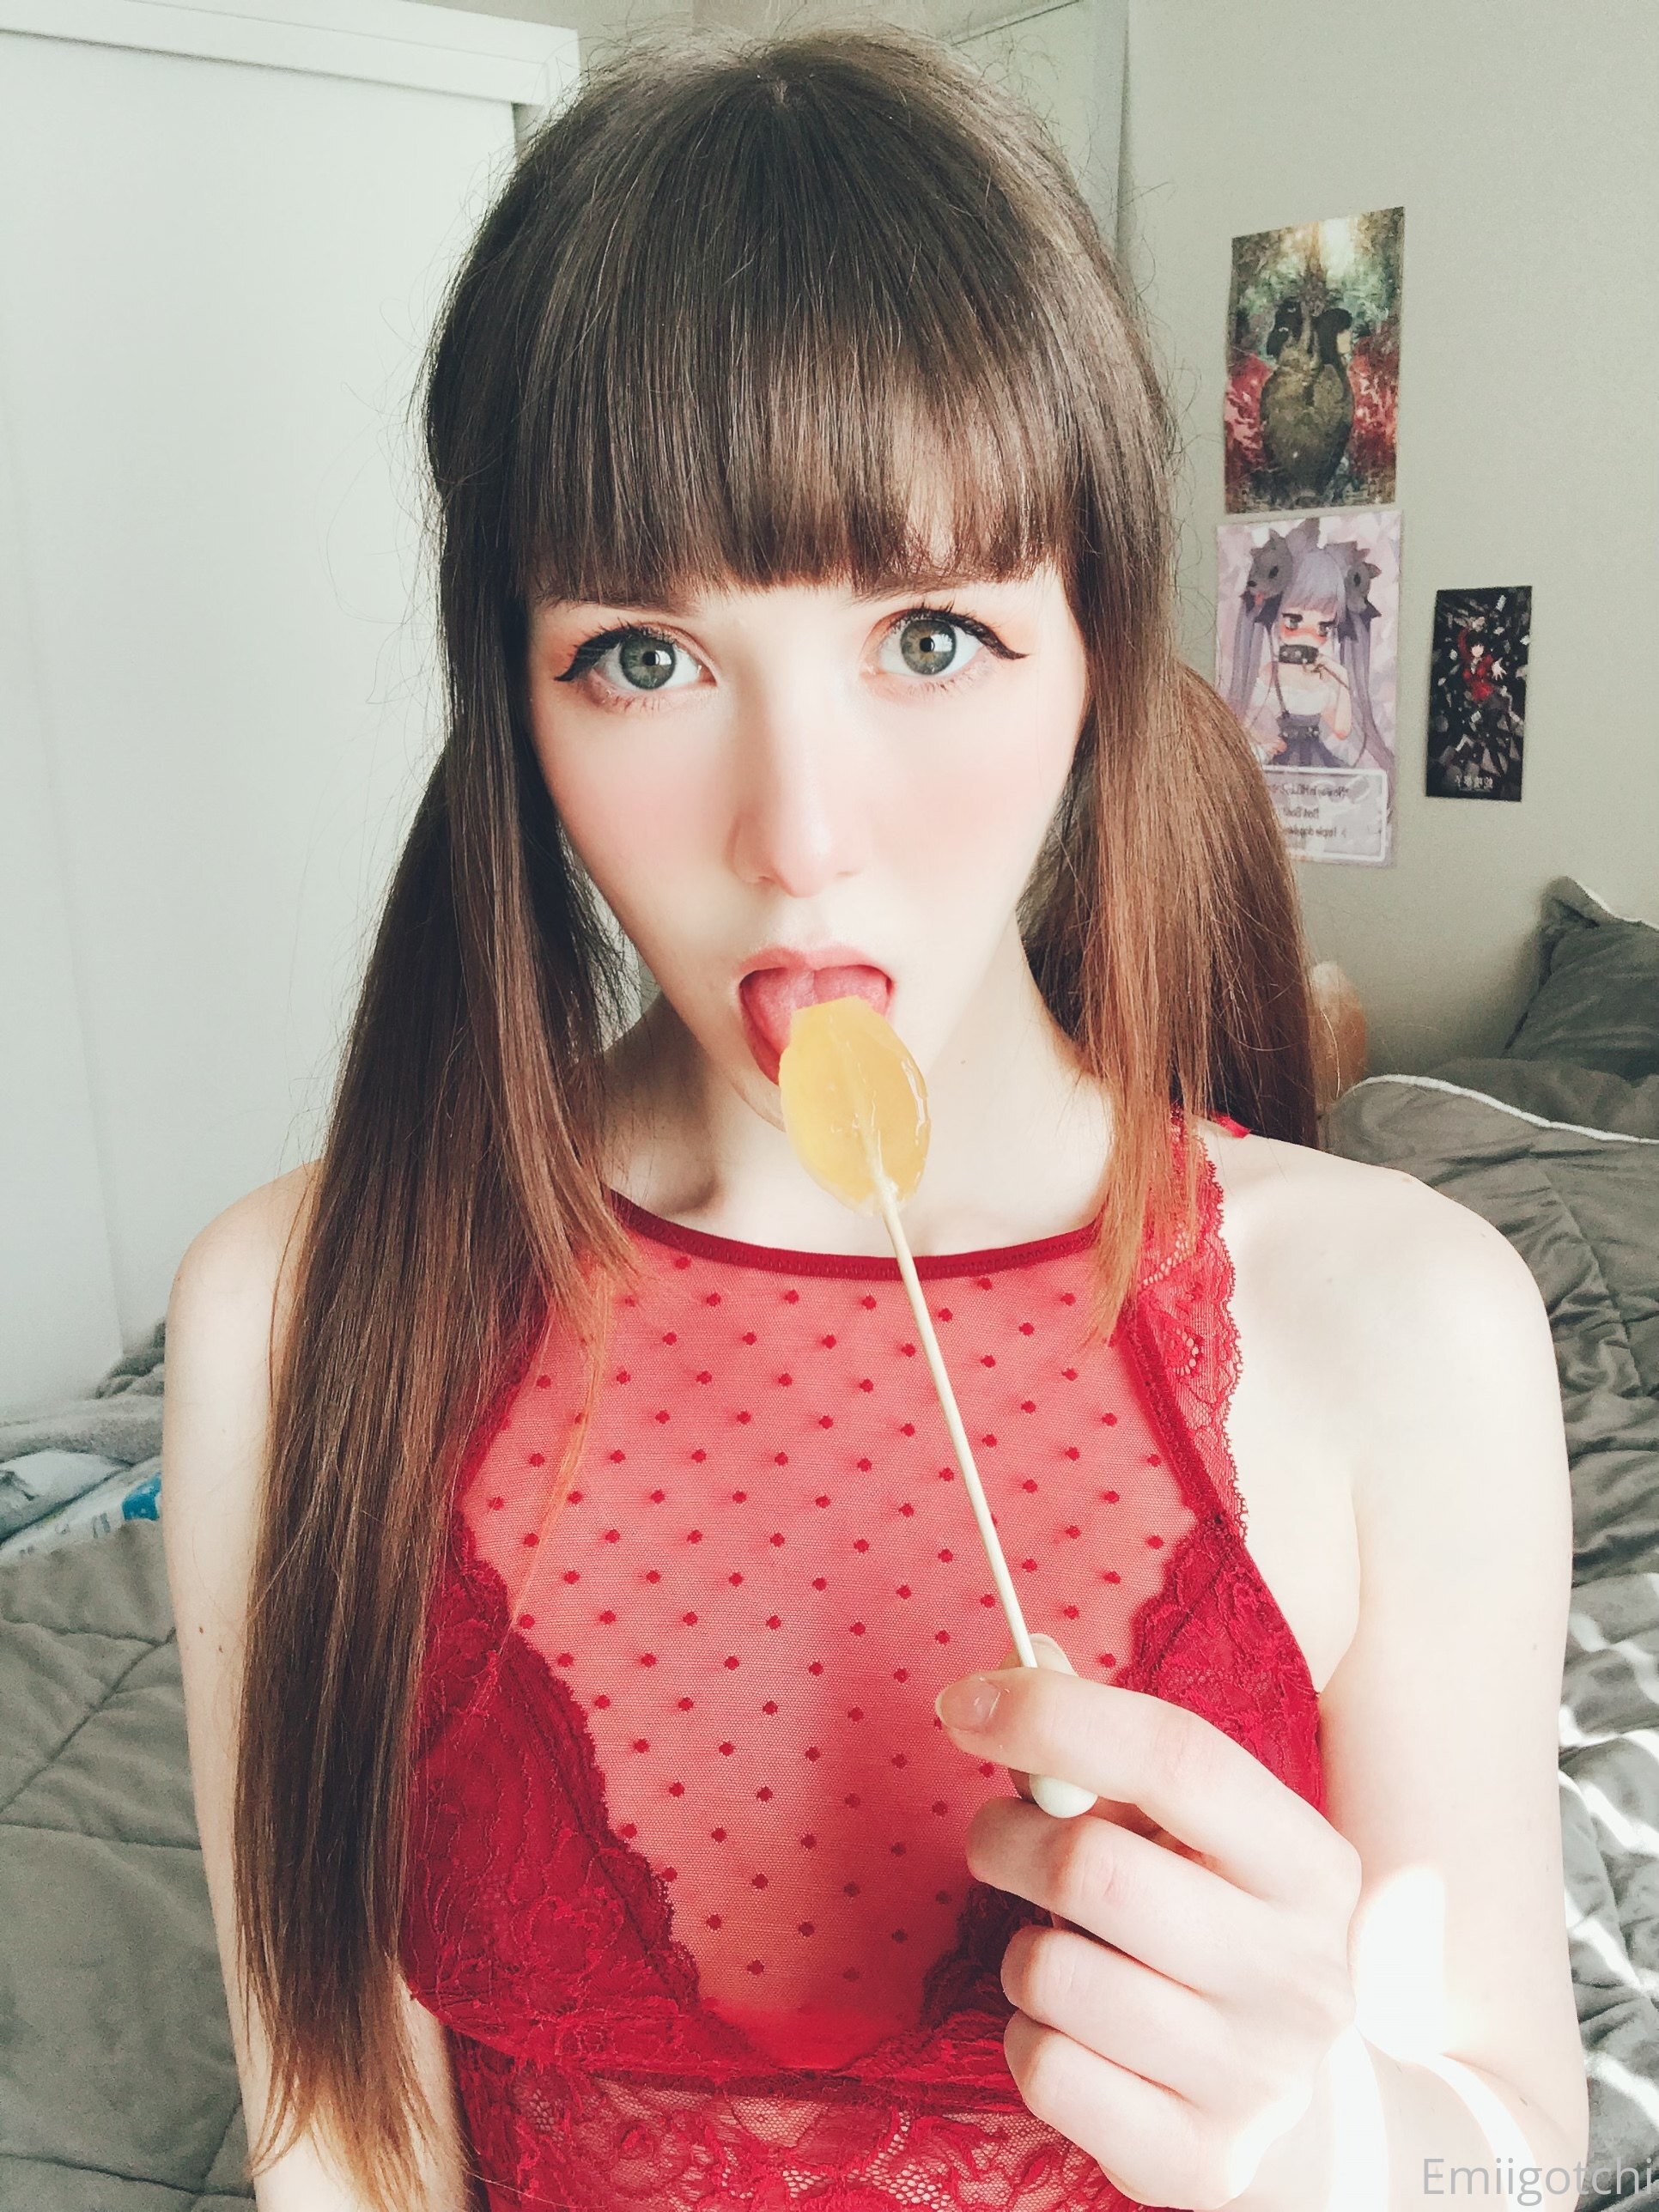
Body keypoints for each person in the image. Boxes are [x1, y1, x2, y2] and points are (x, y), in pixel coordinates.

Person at [161, 26, 1586, 2212]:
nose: (800, 835)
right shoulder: (292, 1309)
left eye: (929, 636)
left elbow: (1504, 2152)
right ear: (515, 700)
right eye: (644, 656)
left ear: (1095, 649)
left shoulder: (1414, 1321)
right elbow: (338, 2138)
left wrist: (1329, 2135)